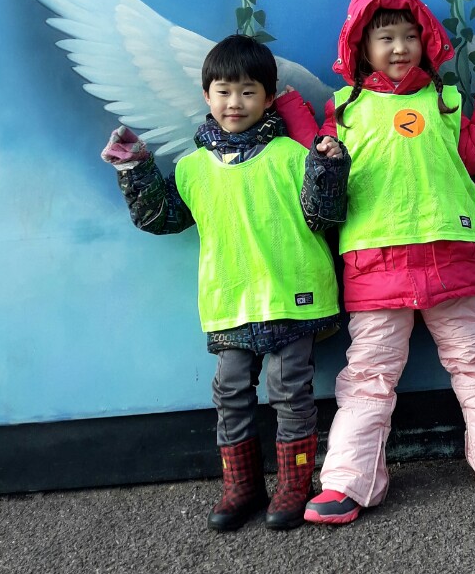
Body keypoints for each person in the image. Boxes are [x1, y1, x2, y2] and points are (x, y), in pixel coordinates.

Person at [304, 0, 475, 525]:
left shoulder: (444, 101)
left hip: (447, 254)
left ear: (426, 41)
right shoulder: (343, 111)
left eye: (411, 36)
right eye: (386, 37)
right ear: (361, 47)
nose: (400, 47)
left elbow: (474, 156)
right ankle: (347, 481)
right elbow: (317, 173)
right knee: (368, 374)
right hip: (375, 262)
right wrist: (304, 125)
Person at [101, 34, 349, 532]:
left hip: (292, 297)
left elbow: (324, 216)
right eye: (224, 91)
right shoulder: (192, 168)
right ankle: (242, 485)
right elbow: (161, 218)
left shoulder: (291, 155)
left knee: (290, 392)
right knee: (230, 392)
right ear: (206, 95)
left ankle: (295, 482)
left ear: (269, 97)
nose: (235, 102)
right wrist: (136, 167)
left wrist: (328, 167)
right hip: (230, 301)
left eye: (248, 91)